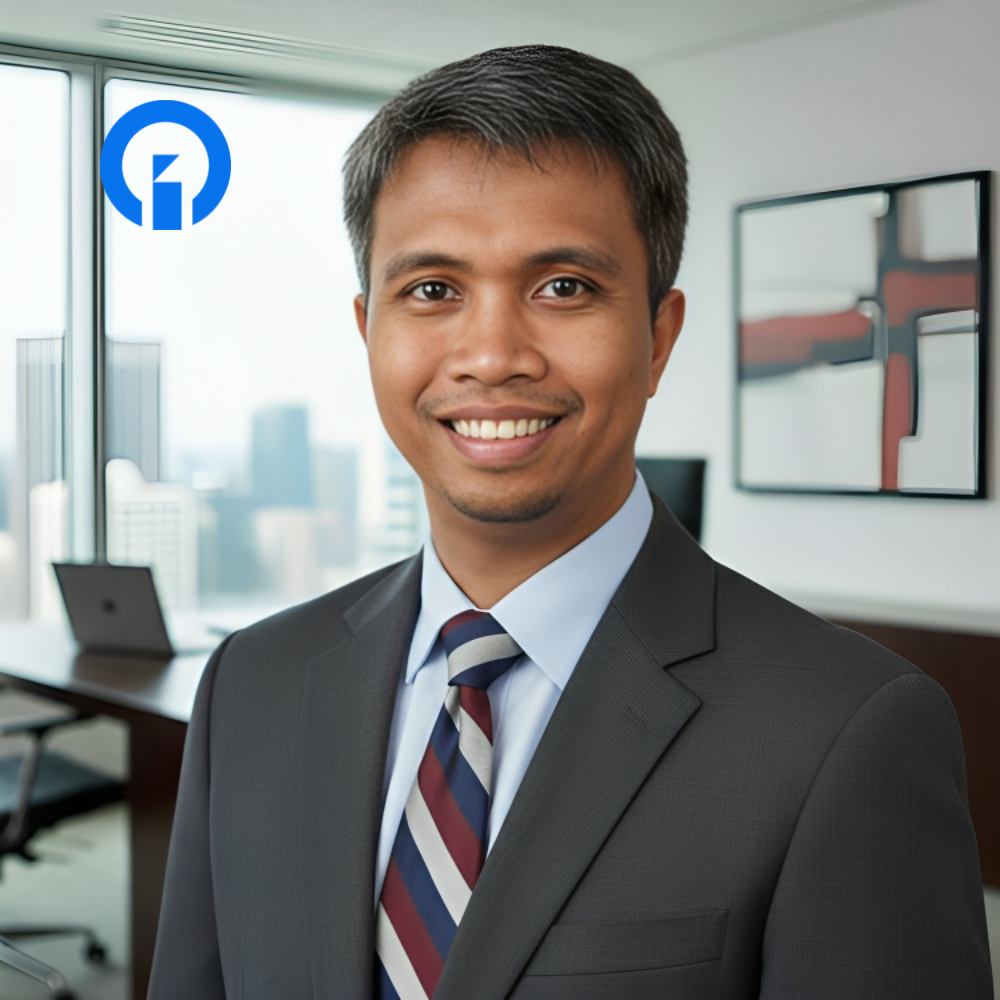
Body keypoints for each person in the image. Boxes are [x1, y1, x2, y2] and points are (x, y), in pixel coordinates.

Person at [148, 45, 992, 1000]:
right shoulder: (252, 683)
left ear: (659, 336)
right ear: (368, 328)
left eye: (564, 287)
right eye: (432, 290)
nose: (492, 355)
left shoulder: (847, 728)